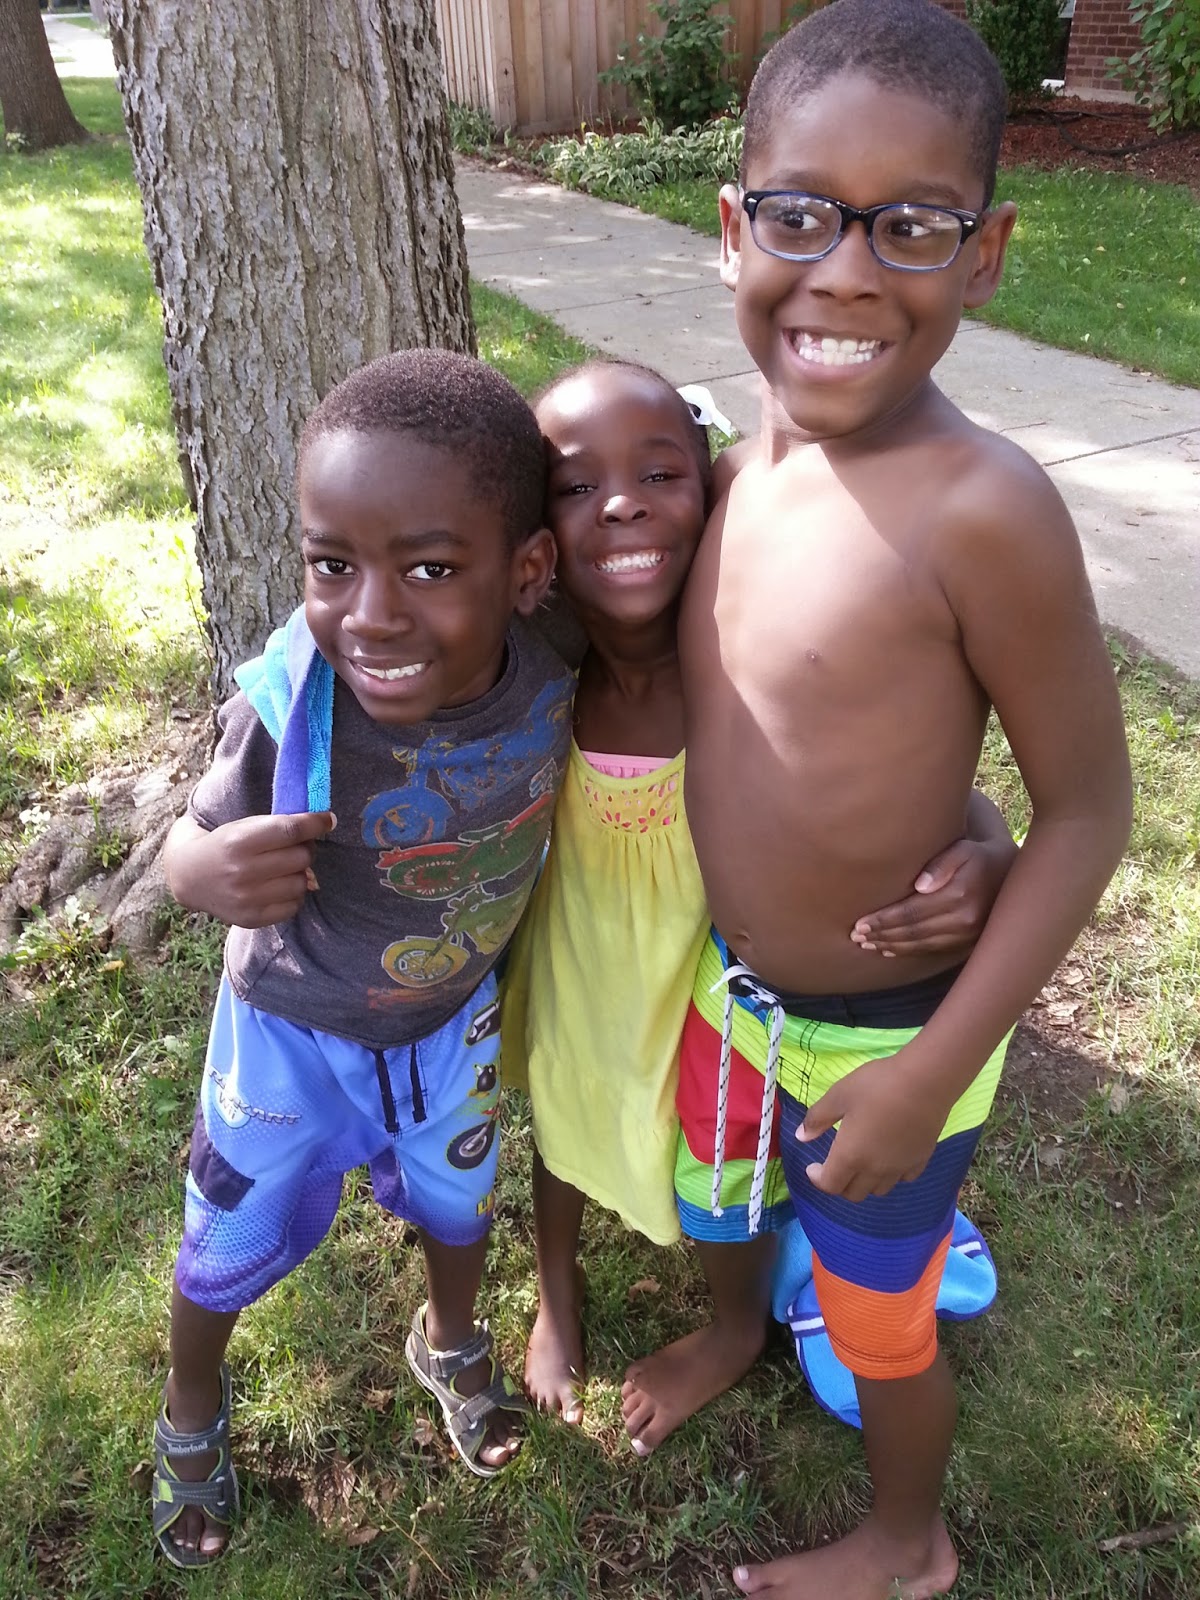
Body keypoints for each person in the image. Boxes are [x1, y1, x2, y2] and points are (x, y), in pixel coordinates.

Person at [635, 4, 1134, 1596]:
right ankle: (731, 1328)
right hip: (727, 994)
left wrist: (934, 1070)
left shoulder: (988, 511)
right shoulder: (726, 475)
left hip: (893, 1036)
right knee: (719, 1206)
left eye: (909, 227)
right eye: (802, 217)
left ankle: (909, 1543)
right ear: (734, 231)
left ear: (984, 257)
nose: (846, 274)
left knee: (880, 1318)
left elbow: (1088, 813)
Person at [501, 357, 1018, 1431]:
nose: (622, 504)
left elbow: (907, 788)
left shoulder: (743, 657)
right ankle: (558, 1289)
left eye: (659, 474)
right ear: (539, 542)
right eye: (578, 485)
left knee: (724, 1150)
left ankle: (745, 1315)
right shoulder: (544, 675)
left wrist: (991, 845)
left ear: (713, 494)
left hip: (720, 982)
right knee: (567, 1097)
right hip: (589, 956)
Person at [151, 349, 575, 1566]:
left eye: (430, 568)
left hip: (450, 1022)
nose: (372, 614)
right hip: (288, 1029)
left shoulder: (560, 667)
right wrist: (197, 873)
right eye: (332, 564)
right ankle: (190, 1400)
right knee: (226, 1233)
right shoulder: (299, 694)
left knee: (459, 1205)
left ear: (528, 571)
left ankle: (449, 1339)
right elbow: (192, 838)